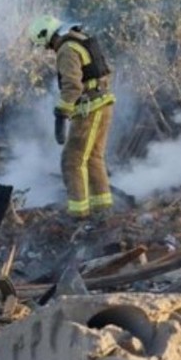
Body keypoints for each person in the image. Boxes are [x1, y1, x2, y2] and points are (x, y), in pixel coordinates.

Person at [27, 14, 116, 219]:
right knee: (93, 158)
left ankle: (78, 214)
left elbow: (72, 86)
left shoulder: (66, 49)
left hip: (90, 107)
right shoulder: (79, 39)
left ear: (48, 36)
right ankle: (102, 209)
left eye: (48, 45)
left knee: (72, 160)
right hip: (101, 102)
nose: (49, 49)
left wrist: (62, 112)